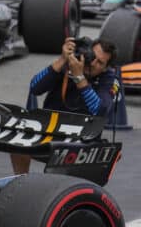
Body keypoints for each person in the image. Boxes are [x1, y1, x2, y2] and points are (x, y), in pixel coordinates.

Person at [16, 37, 119, 174]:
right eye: (93, 56)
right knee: (17, 139)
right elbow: (35, 87)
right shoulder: (69, 64)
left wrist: (79, 78)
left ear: (106, 67)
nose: (93, 63)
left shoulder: (109, 79)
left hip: (82, 138)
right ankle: (20, 180)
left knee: (55, 183)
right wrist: (62, 59)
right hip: (51, 129)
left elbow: (100, 111)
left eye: (100, 62)